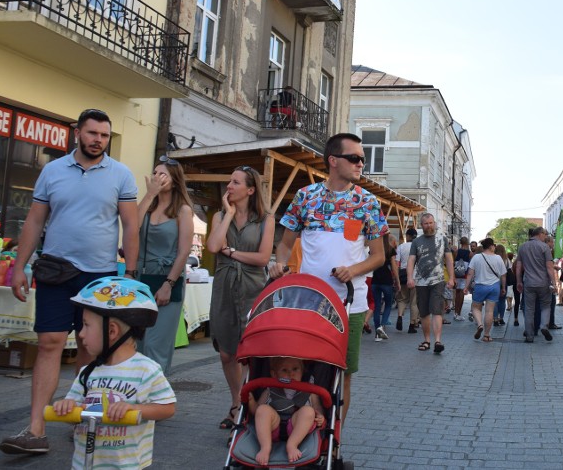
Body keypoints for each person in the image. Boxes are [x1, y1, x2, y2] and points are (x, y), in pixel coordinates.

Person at [1, 108, 139, 456]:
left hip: (99, 276)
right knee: (49, 341)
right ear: (78, 133)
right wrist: (19, 267)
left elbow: (131, 226)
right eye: (92, 133)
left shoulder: (121, 174)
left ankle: (84, 419)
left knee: (90, 348)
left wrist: (132, 275)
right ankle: (35, 429)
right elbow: (34, 221)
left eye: (104, 136)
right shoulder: (52, 170)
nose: (98, 140)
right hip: (55, 269)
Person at [270, 133, 387, 420]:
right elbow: (285, 244)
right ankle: (305, 430)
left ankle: (335, 444)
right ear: (333, 161)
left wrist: (353, 270)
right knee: (304, 368)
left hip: (351, 304)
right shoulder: (305, 196)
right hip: (309, 302)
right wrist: (280, 264)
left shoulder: (368, 202)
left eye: (363, 158)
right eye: (355, 158)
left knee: (343, 374)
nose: (362, 163)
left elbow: (378, 256)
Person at [52, 277, 176, 468]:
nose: (81, 333)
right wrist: (67, 406)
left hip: (125, 465)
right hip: (84, 463)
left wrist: (135, 409)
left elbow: (167, 408)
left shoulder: (145, 370)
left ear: (111, 331)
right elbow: (75, 405)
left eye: (86, 325)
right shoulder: (87, 372)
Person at [206, 165, 275, 431]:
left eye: (235, 182)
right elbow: (213, 247)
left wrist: (231, 251)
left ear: (250, 189)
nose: (229, 186)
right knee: (226, 353)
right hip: (224, 287)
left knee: (251, 352)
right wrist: (230, 214)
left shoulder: (266, 220)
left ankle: (248, 406)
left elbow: (261, 258)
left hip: (252, 289)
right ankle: (236, 401)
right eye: (229, 181)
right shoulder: (220, 216)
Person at [136, 156, 194, 374]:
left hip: (167, 279)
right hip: (143, 278)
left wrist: (169, 283)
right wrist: (150, 194)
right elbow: (132, 230)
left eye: (163, 174)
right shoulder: (148, 206)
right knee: (139, 343)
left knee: (155, 343)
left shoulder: (183, 211)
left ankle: (157, 398)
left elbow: (184, 251)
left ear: (174, 180)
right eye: (154, 173)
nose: (156, 177)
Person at [250, 357, 326, 465]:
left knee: (309, 411)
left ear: (302, 370)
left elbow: (318, 408)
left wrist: (320, 417)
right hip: (273, 426)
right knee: (263, 409)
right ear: (274, 374)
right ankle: (265, 447)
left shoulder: (309, 390)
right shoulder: (270, 389)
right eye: (284, 370)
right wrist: (251, 401)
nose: (291, 374)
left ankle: (292, 445)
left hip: (297, 427)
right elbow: (256, 412)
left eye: (295, 369)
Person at [407, 212, 455, 354]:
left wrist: (451, 278)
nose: (429, 226)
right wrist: (410, 277)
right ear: (422, 225)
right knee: (424, 312)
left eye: (431, 223)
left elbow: (448, 259)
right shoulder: (417, 242)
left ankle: (438, 341)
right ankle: (427, 340)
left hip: (438, 280)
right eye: (426, 224)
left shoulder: (442, 239)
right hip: (421, 281)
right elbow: (411, 260)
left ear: (434, 223)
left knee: (437, 310)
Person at [514, 226, 558, 343]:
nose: (545, 236)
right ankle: (544, 326)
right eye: (545, 234)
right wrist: (554, 283)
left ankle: (529, 335)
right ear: (540, 234)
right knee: (545, 306)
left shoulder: (523, 247)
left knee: (529, 309)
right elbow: (549, 267)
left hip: (528, 283)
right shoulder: (544, 247)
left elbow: (518, 267)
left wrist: (518, 281)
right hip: (543, 283)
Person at [464, 238, 506, 342]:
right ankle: (487, 335)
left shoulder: (476, 257)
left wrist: (466, 286)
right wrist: (503, 287)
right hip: (494, 286)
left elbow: (470, 273)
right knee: (489, 311)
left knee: (475, 308)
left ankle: (479, 324)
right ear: (491, 246)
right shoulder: (498, 258)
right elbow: (503, 275)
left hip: (480, 286)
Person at [371, 234, 400, 341]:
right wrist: (398, 282)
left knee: (377, 307)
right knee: (388, 304)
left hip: (375, 280)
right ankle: (382, 327)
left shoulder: (375, 249)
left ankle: (377, 332)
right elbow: (394, 267)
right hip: (386, 281)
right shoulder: (390, 249)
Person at [395, 228, 419, 333]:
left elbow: (396, 263)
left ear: (408, 236)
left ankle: (400, 316)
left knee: (402, 299)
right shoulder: (418, 247)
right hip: (415, 276)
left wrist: (396, 278)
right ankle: (412, 325)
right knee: (414, 302)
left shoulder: (401, 247)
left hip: (403, 275)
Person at [452, 237, 472, 321]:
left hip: (457, 273)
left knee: (457, 293)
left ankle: (455, 312)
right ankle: (459, 313)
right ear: (467, 243)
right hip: (464, 274)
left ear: (460, 243)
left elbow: (453, 262)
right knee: (461, 294)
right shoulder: (470, 253)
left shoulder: (457, 252)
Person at [494, 244, 512, 324]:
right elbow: (510, 270)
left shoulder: (493, 258)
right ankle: (501, 318)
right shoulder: (506, 260)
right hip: (503, 282)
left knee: (494, 301)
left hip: (493, 282)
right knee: (502, 301)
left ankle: (495, 319)